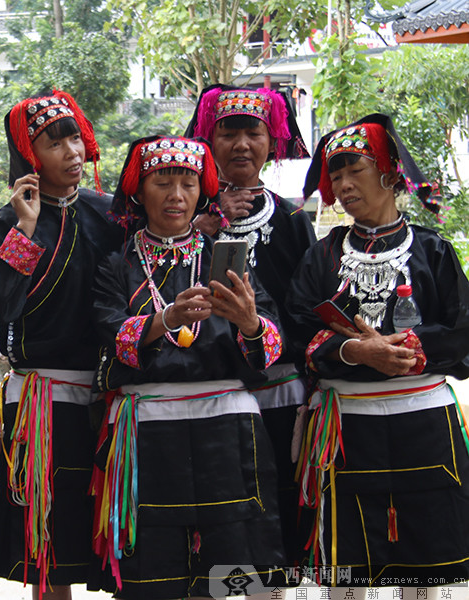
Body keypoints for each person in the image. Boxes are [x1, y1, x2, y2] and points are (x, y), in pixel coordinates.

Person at [90, 135, 287, 599]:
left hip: (228, 429)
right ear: (139, 190)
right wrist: (166, 321)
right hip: (147, 433)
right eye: (164, 182)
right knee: (152, 571)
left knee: (235, 565)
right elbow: (110, 334)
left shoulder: (230, 259)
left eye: (188, 184)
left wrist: (249, 323)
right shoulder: (117, 265)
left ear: (203, 192)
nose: (177, 196)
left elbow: (274, 342)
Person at [287, 114, 469, 586]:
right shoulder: (321, 257)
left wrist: (410, 350)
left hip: (423, 422)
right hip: (346, 427)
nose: (343, 185)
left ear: (389, 173)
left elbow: (463, 329)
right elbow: (296, 331)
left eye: (355, 170)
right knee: (346, 566)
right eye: (336, 174)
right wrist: (354, 353)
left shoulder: (433, 251)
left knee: (426, 564)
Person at [0, 90, 121, 600]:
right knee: (47, 541)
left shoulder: (111, 215)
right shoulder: (9, 221)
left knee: (106, 526)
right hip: (42, 400)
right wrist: (27, 228)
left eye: (74, 137)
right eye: (54, 144)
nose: (72, 153)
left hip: (107, 397)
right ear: (31, 158)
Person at [185, 85, 314, 564]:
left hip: (279, 393)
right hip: (209, 398)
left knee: (280, 512)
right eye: (229, 133)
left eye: (252, 132)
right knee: (214, 522)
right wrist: (202, 225)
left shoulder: (292, 219)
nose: (241, 144)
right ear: (208, 139)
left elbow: (306, 308)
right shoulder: (184, 216)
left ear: (272, 140)